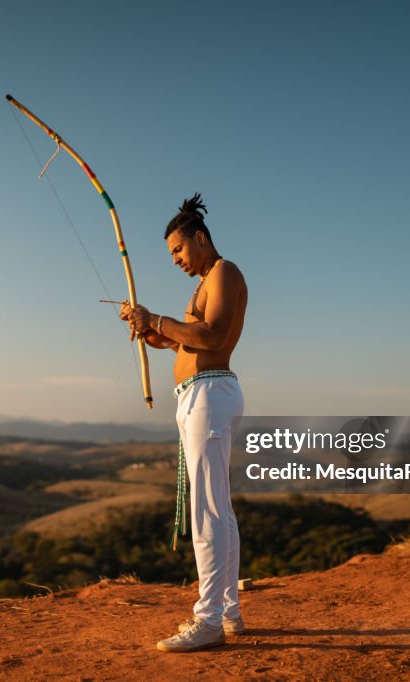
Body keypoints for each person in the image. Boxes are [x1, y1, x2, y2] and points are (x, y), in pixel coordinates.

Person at [120, 193, 248, 653]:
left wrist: (158, 318)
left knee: (208, 512)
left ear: (200, 237)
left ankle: (208, 619)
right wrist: (151, 331)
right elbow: (186, 345)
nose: (174, 259)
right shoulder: (204, 282)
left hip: (210, 396)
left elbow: (212, 336)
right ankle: (228, 612)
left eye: (177, 250)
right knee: (218, 508)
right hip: (201, 395)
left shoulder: (224, 272)